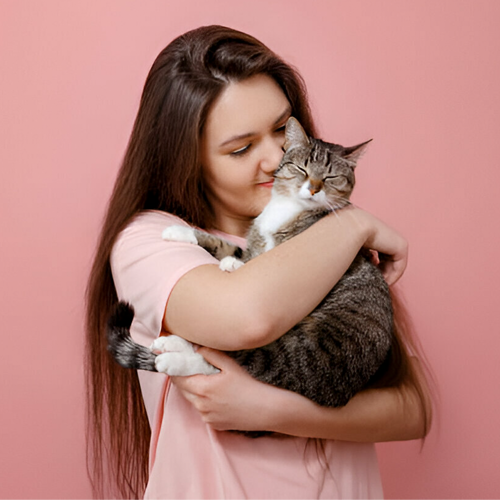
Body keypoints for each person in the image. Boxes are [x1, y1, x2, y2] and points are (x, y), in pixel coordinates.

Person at [85, 25, 433, 499]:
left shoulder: (320, 232)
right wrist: (355, 226)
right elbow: (247, 316)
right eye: (242, 148)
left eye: (282, 129)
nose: (276, 157)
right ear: (187, 159)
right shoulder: (150, 242)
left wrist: (268, 409)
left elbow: (413, 406)